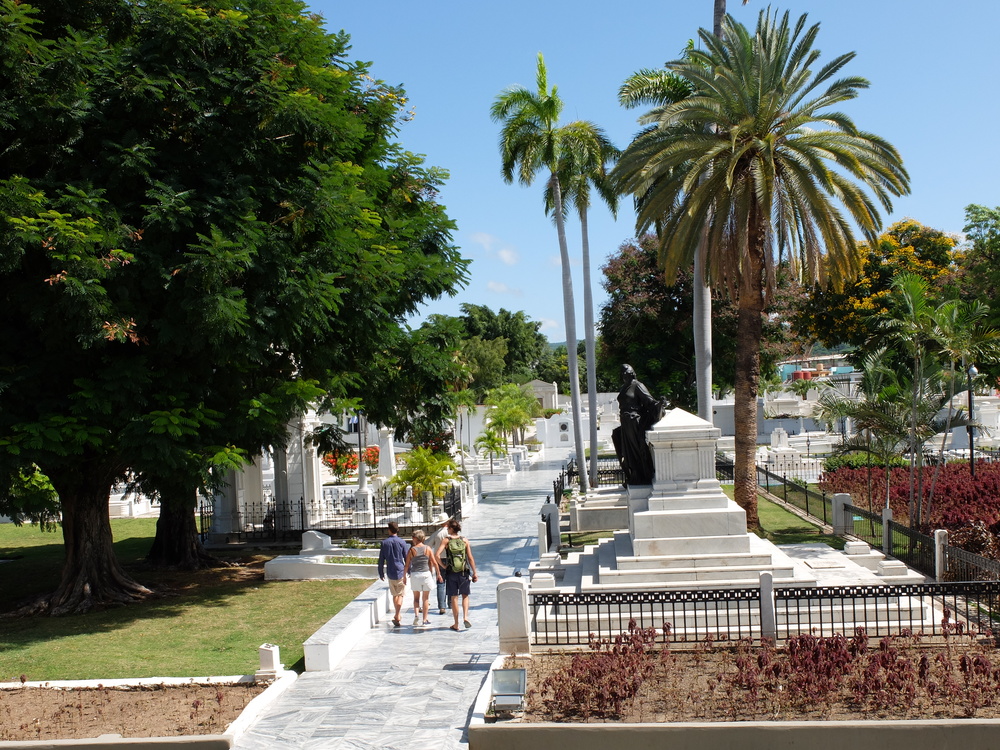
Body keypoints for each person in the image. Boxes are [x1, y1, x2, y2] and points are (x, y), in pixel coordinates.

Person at [612, 363, 666, 486]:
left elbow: (649, 401)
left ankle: (641, 475)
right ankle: (633, 475)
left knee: (636, 450)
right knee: (627, 451)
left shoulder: (637, 385)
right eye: (623, 373)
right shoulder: (624, 387)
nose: (624, 375)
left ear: (631, 373)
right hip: (625, 422)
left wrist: (660, 404)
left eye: (626, 373)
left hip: (634, 421)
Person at [435, 518, 478, 631]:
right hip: (464, 571)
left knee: (454, 597)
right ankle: (465, 617)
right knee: (465, 595)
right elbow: (470, 558)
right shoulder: (464, 540)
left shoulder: (446, 540)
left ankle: (456, 623)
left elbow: (437, 555)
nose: (447, 529)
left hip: (451, 572)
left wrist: (443, 566)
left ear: (451, 528)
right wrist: (475, 573)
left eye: (448, 527)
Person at [403, 529, 439, 627]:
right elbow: (434, 562)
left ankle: (416, 615)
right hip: (426, 574)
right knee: (426, 598)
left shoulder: (412, 550)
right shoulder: (427, 548)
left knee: (416, 598)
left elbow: (407, 565)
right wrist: (438, 574)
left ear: (415, 538)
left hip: (415, 574)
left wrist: (404, 576)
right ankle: (425, 619)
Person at [378, 521, 409, 627]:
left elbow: (381, 559)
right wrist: (408, 570)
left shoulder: (384, 543)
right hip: (400, 571)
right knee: (400, 594)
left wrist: (380, 572)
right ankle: (397, 614)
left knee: (395, 594)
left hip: (390, 571)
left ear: (389, 530)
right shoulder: (402, 542)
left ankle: (397, 614)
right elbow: (406, 557)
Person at [426, 519, 450, 614]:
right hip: (450, 559)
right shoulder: (451, 532)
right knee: (451, 582)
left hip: (439, 559)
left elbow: (428, 544)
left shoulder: (437, 533)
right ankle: (451, 603)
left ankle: (442, 606)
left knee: (441, 582)